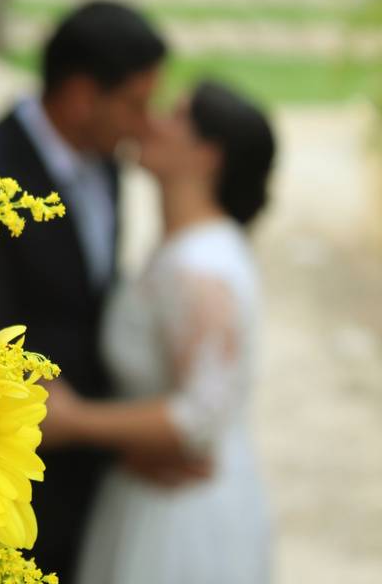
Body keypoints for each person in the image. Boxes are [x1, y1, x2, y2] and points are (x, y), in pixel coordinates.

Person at [0, 0, 168, 579]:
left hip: (91, 466)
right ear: (81, 96)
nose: (145, 124)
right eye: (135, 104)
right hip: (29, 472)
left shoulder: (107, 164)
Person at [42, 81, 276, 584]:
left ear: (207, 155)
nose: (151, 120)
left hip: (183, 514)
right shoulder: (185, 248)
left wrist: (75, 421)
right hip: (147, 484)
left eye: (176, 116)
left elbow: (200, 417)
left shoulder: (201, 269)